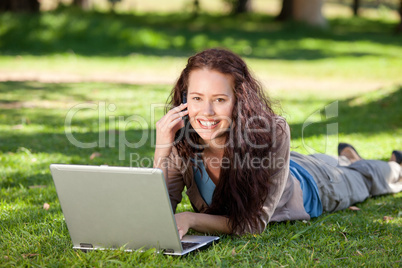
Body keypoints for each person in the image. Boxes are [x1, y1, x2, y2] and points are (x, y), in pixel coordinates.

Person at [153, 48, 402, 239]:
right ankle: (348, 157)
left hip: (315, 184)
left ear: (240, 99)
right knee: (345, 164)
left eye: (219, 99)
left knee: (366, 178)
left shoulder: (272, 131)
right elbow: (157, 210)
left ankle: (392, 167)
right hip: (288, 167)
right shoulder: (182, 138)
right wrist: (162, 149)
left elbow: (253, 224)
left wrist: (191, 218)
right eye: (197, 98)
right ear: (185, 99)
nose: (206, 112)